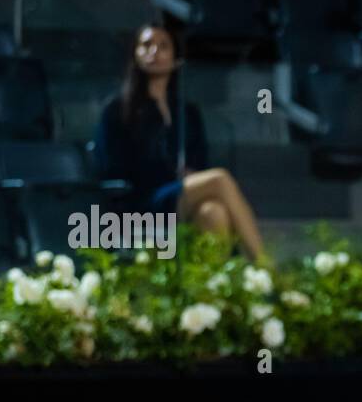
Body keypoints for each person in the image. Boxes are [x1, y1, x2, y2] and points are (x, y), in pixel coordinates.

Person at [93, 22, 266, 260]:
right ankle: (267, 269)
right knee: (219, 179)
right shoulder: (117, 110)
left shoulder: (187, 111)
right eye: (146, 45)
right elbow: (112, 166)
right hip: (142, 199)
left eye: (163, 46)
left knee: (213, 212)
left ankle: (213, 292)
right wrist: (171, 173)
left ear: (175, 59)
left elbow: (200, 158)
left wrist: (190, 173)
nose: (154, 51)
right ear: (135, 54)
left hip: (181, 195)